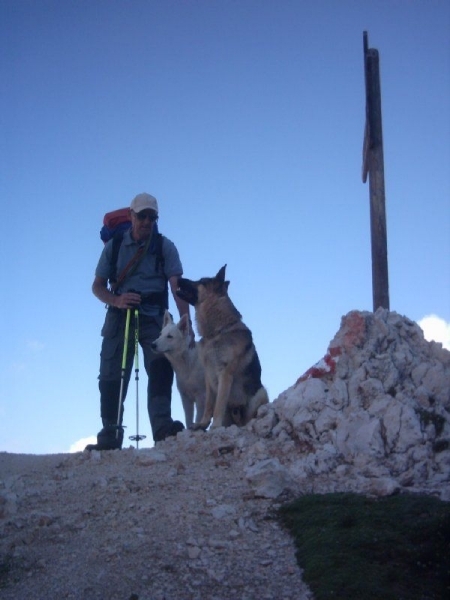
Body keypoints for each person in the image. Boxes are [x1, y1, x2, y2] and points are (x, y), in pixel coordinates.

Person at [86, 192, 193, 450]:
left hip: (153, 314)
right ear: (132, 216)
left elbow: (177, 287)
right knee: (112, 372)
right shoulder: (114, 248)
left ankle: (162, 428)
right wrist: (117, 301)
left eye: (151, 217)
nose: (146, 221)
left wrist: (187, 325)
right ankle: (110, 433)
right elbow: (98, 286)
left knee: (160, 366)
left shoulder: (164, 247)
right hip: (119, 314)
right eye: (142, 216)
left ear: (156, 219)